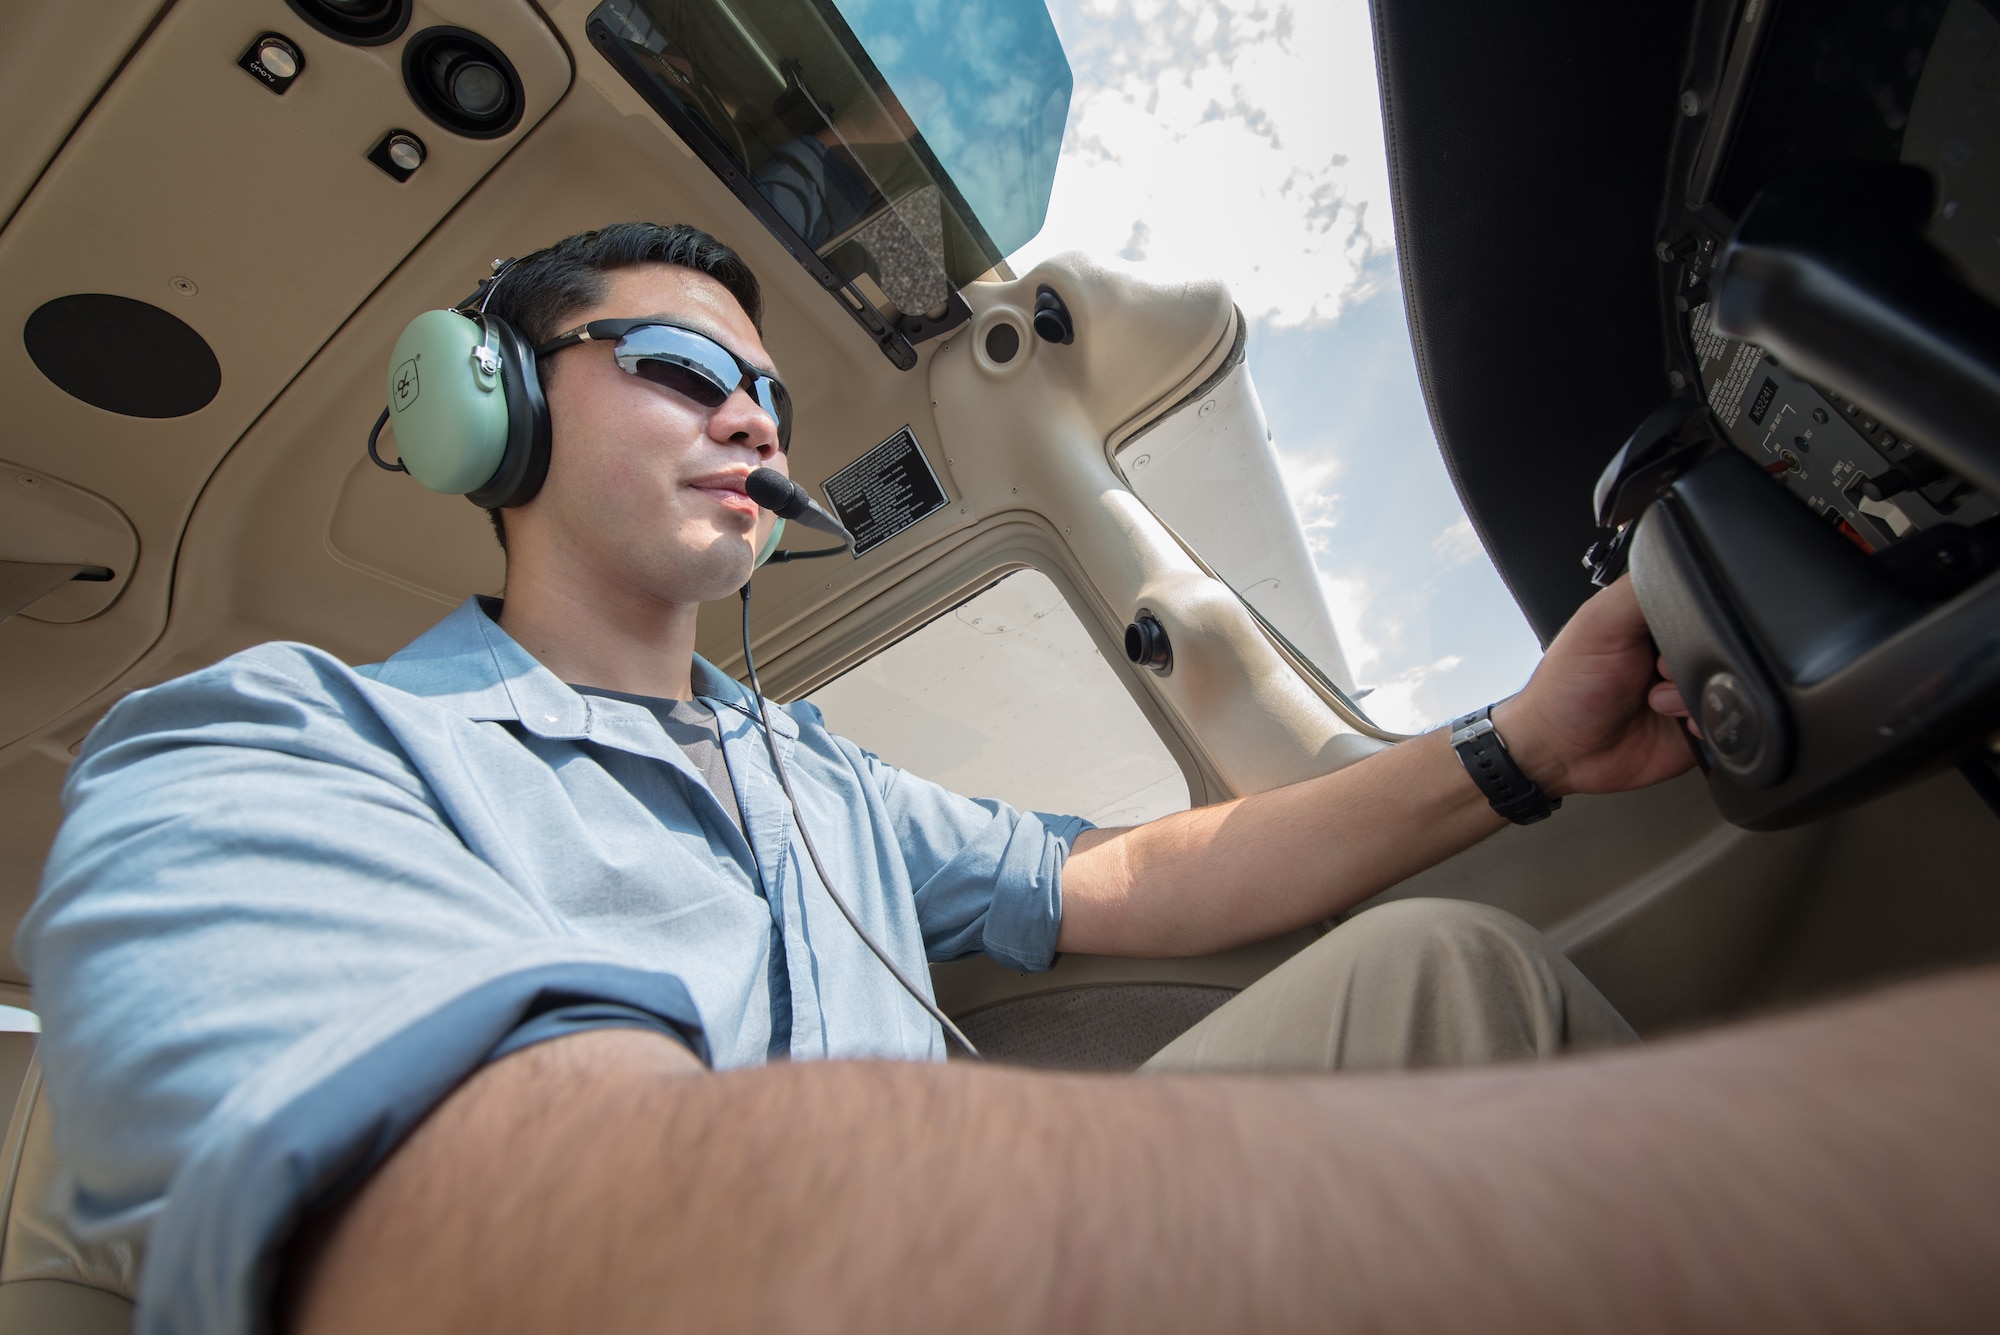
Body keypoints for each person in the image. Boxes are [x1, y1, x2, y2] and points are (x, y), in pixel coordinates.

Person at [19, 223, 1995, 1334]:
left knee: (1451, 978)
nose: (753, 417)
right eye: (678, 367)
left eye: (769, 392)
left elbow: (1131, 884)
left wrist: (1510, 751)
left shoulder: (815, 775)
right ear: (496, 411)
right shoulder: (271, 752)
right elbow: (521, 1247)